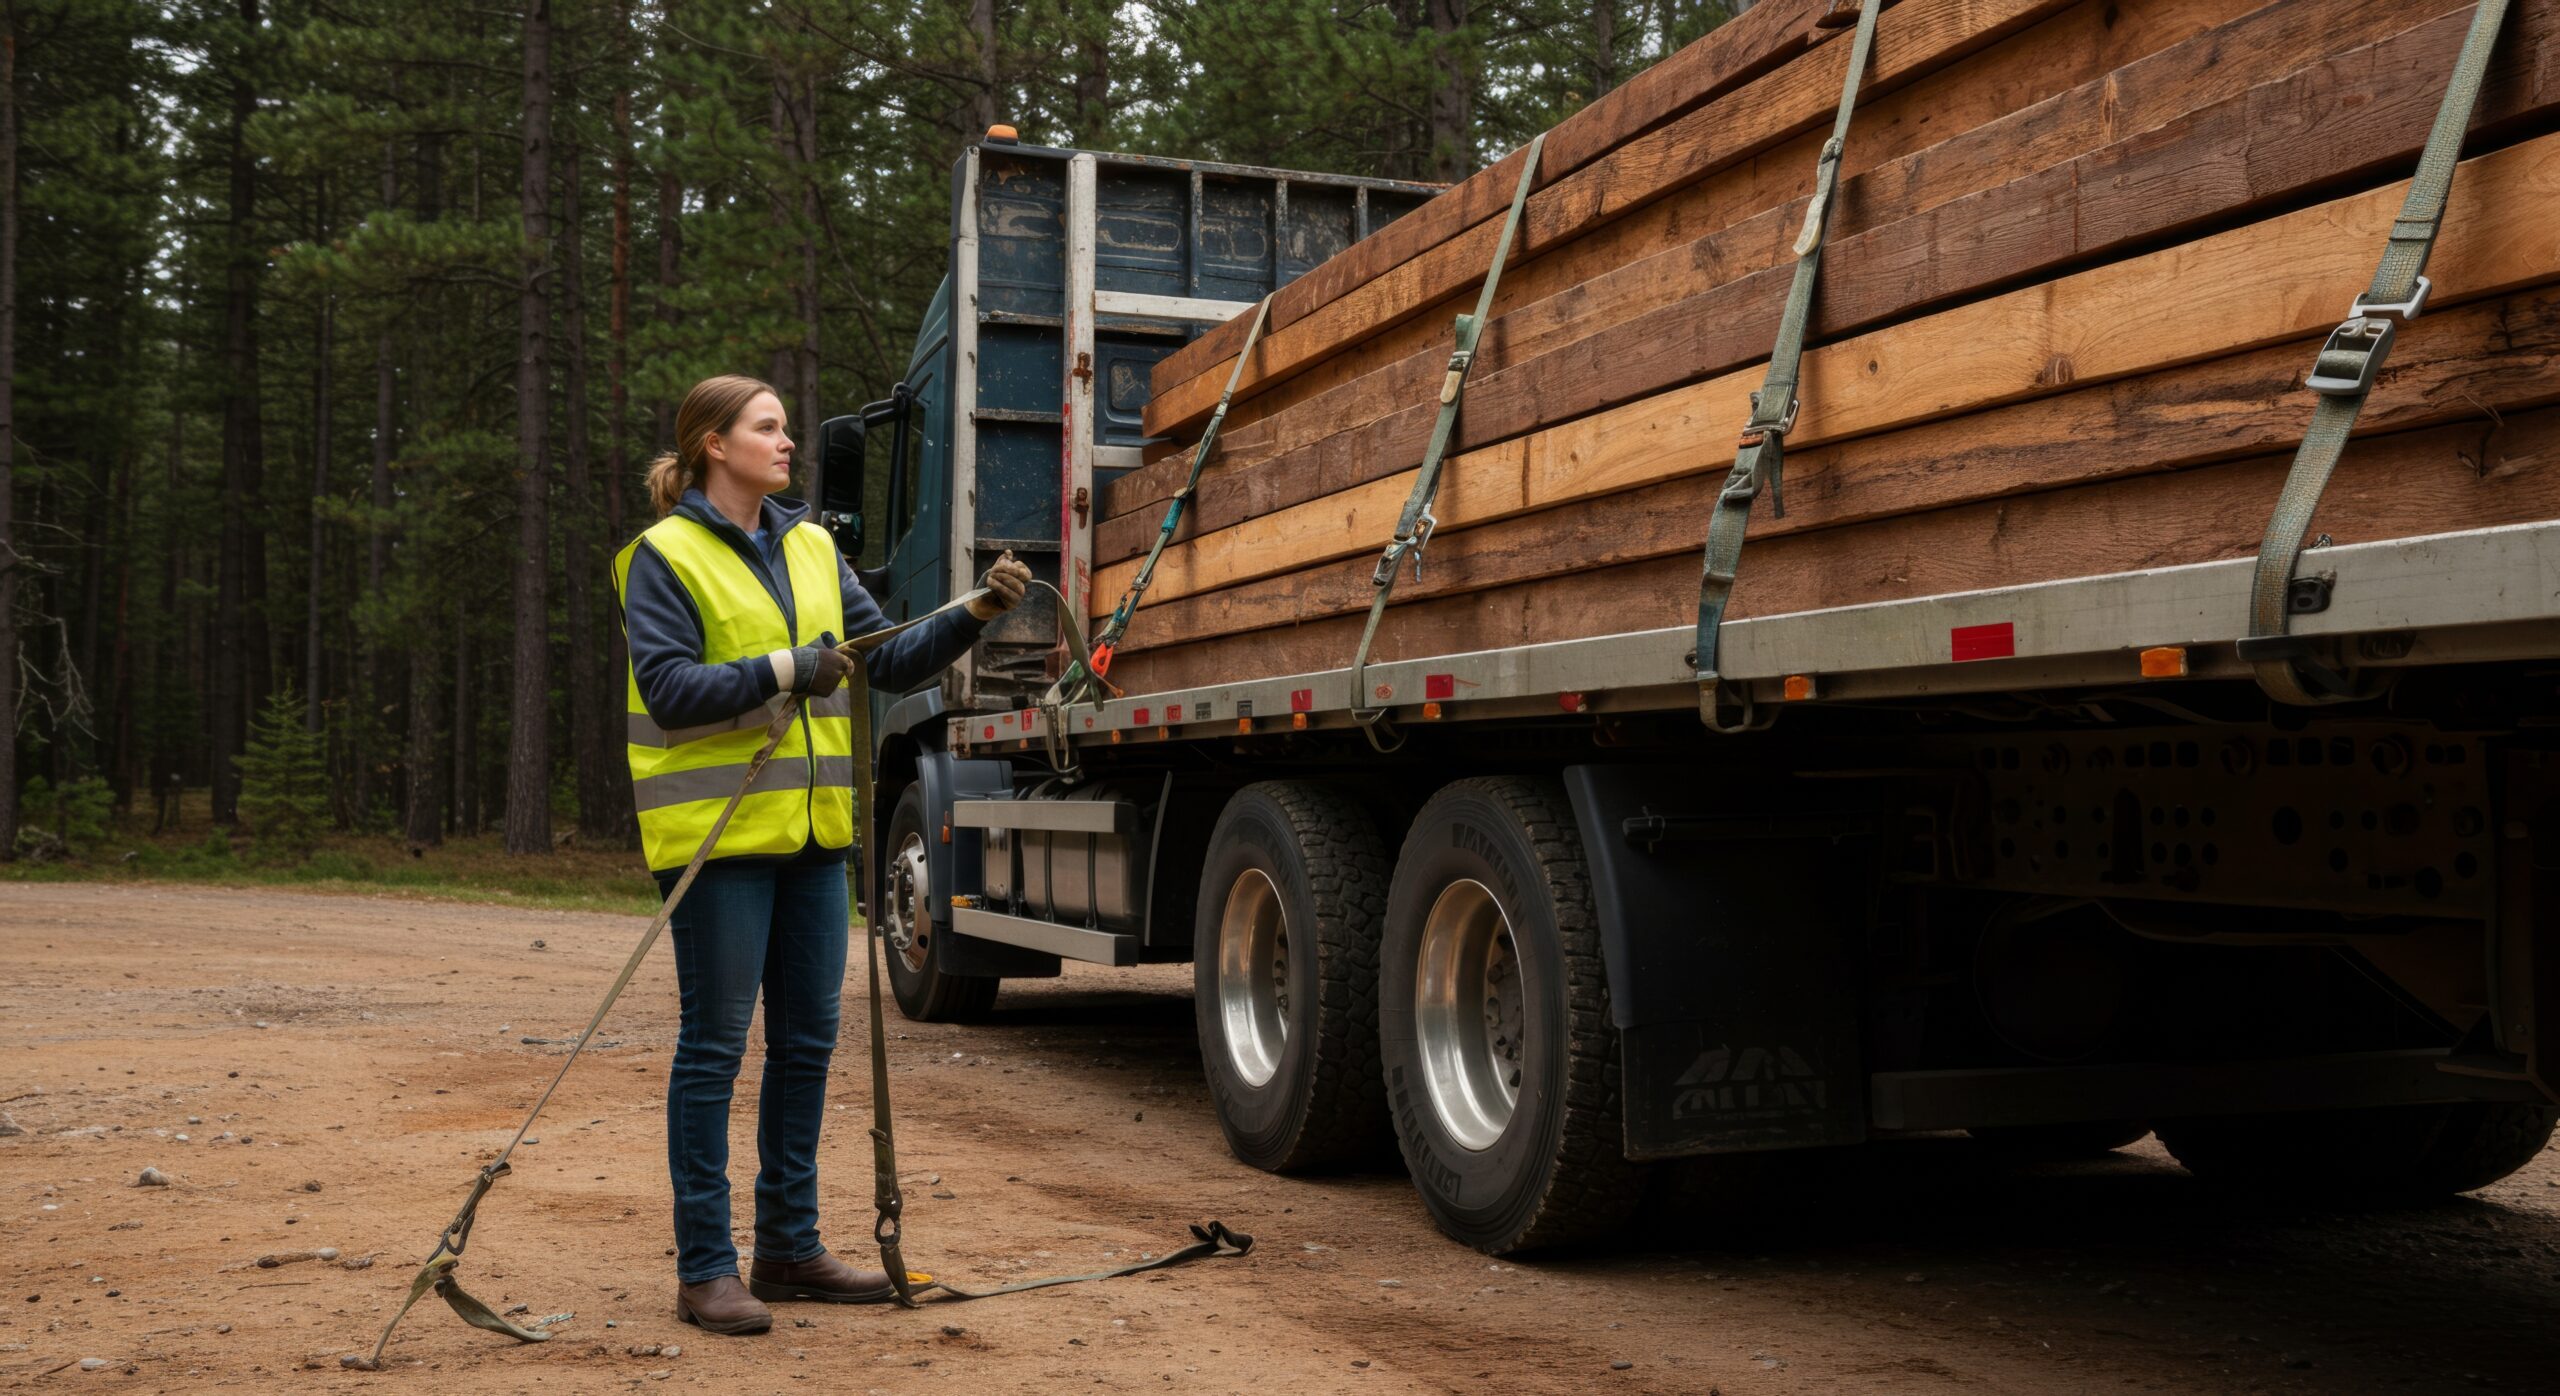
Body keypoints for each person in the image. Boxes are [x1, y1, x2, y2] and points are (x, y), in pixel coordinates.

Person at [612, 373, 1032, 1336]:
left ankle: (790, 1251)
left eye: (787, 430)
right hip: (715, 845)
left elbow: (880, 655)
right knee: (713, 1053)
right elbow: (670, 689)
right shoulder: (661, 556)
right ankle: (707, 1270)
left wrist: (972, 612)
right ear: (715, 444)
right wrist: (786, 669)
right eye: (768, 428)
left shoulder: (809, 545)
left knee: (807, 1048)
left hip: (810, 842)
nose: (788, 442)